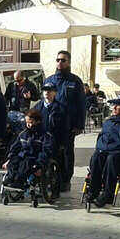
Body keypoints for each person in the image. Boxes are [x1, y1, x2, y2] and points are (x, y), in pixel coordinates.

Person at [44, 50, 86, 192]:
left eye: (63, 60)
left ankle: (65, 180)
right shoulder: (49, 80)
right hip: (51, 125)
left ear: (68, 62)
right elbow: (43, 102)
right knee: (51, 152)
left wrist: (79, 125)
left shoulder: (75, 81)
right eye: (58, 60)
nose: (60, 63)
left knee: (67, 154)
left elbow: (81, 104)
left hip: (68, 125)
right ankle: (51, 178)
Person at [1, 109, 53, 191]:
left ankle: (19, 181)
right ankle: (11, 178)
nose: (28, 125)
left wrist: (40, 164)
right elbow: (15, 148)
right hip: (22, 156)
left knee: (26, 163)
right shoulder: (23, 134)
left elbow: (46, 151)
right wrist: (9, 159)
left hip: (34, 158)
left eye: (31, 122)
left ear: (38, 122)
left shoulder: (45, 136)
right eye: (27, 122)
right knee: (14, 162)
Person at [34, 84, 69, 160]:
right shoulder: (37, 108)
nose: (46, 92)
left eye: (49, 90)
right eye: (45, 90)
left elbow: (65, 128)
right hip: (40, 142)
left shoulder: (61, 109)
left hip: (55, 143)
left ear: (55, 93)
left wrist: (62, 144)